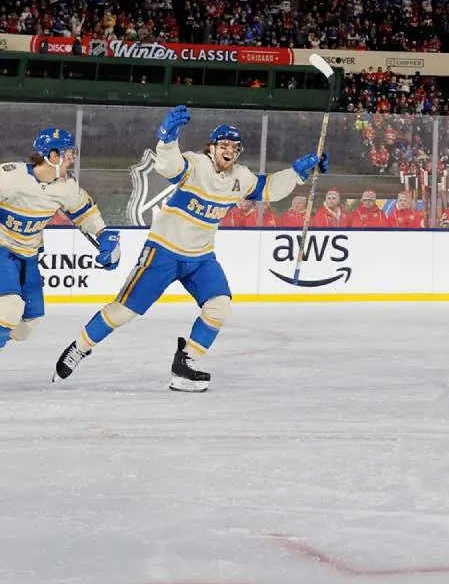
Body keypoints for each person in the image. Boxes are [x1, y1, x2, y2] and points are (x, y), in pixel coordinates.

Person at [53, 106, 328, 392]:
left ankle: (185, 364)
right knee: (124, 312)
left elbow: (268, 188)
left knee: (219, 308)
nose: (229, 151)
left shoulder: (241, 177)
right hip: (163, 251)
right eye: (223, 145)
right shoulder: (196, 165)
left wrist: (297, 173)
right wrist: (167, 138)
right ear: (211, 148)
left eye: (235, 147)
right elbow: (168, 167)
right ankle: (80, 347)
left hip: (201, 258)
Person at [0, 128, 121, 359]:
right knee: (9, 307)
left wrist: (104, 236)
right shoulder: (9, 176)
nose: (72, 158)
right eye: (68, 153)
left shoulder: (66, 187)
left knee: (29, 323)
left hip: (28, 255)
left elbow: (86, 213)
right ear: (52, 156)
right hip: (2, 249)